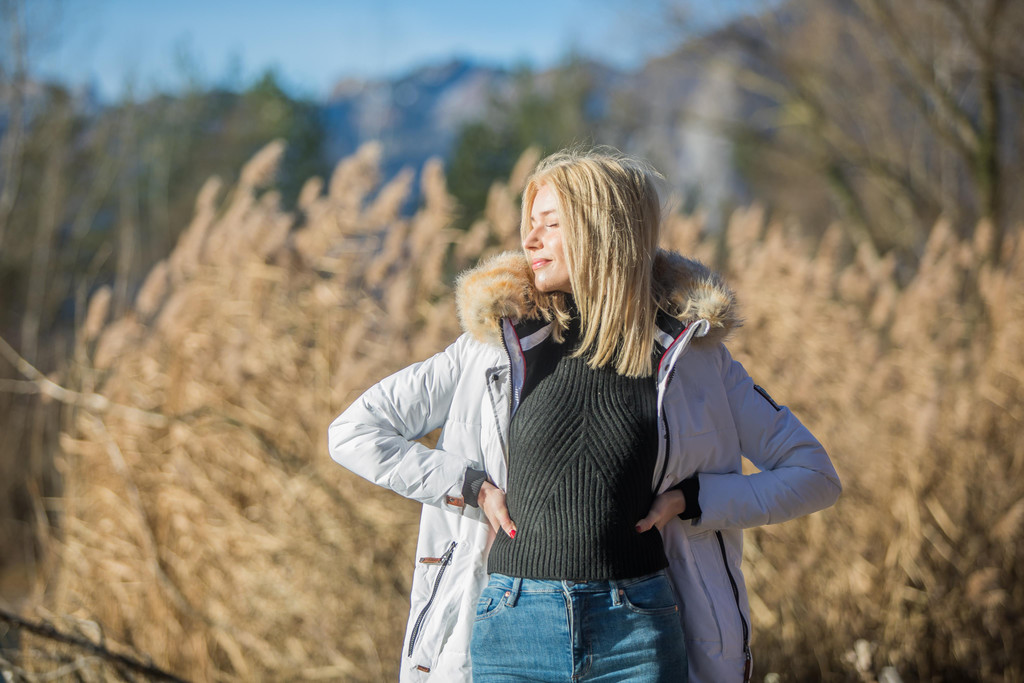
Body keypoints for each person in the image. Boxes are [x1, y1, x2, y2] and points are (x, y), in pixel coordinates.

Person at [328, 148, 841, 682]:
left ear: (607, 232)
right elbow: (354, 431)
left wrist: (694, 500)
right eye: (531, 224)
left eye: (551, 224)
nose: (530, 240)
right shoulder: (491, 349)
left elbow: (813, 475)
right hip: (512, 628)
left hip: (639, 632)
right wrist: (467, 486)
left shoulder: (693, 359)